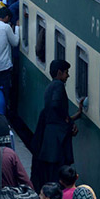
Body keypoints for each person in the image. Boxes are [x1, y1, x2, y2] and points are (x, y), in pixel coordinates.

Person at [31, 59, 84, 190]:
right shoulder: (59, 86)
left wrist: (74, 117)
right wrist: (67, 120)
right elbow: (56, 107)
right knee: (57, 176)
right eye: (66, 72)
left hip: (49, 142)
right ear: (59, 72)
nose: (68, 75)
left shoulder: (49, 87)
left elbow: (54, 115)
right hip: (56, 142)